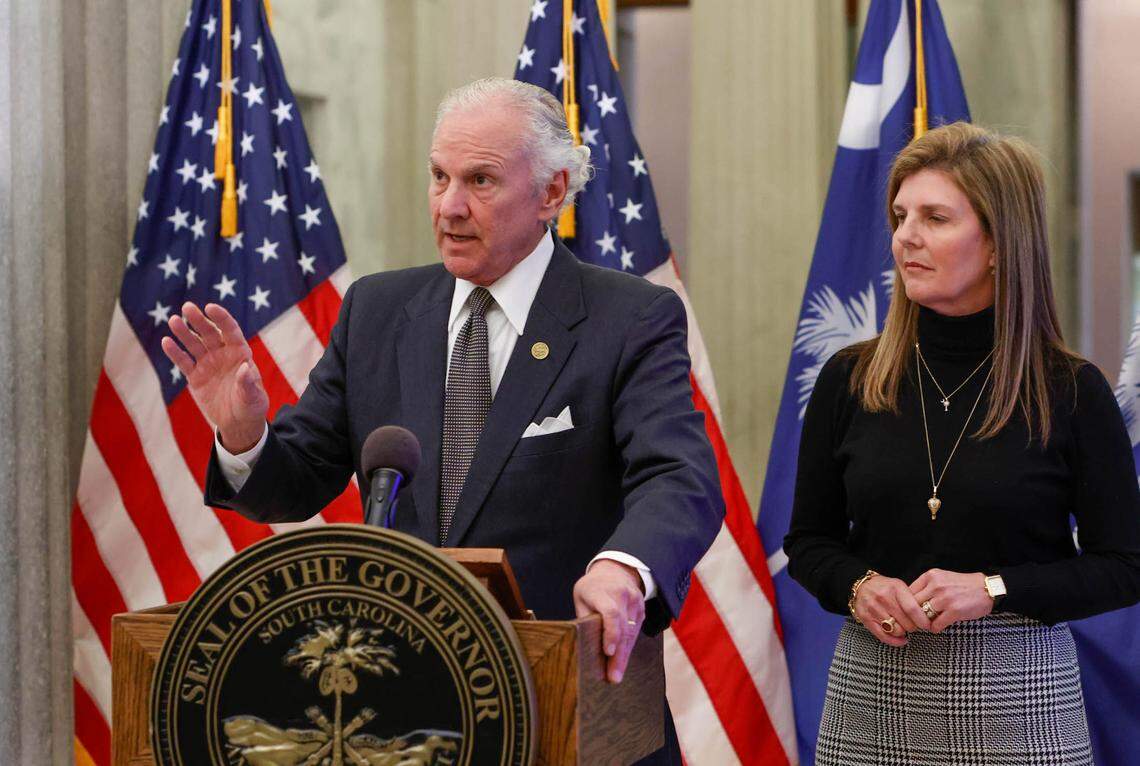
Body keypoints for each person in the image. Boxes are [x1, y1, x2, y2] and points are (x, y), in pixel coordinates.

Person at [161, 76, 723, 765]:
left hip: (567, 708)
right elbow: (296, 480)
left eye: (480, 181)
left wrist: (624, 570)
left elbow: (679, 476)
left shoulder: (628, 318)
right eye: (438, 177)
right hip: (406, 720)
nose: (449, 207)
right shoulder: (376, 310)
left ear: (552, 192)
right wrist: (244, 435)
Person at [784, 122, 1140, 765]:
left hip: (1017, 708)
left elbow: (1125, 565)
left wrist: (994, 589)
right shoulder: (850, 378)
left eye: (935, 218)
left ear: (1002, 244)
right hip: (870, 704)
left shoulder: (1070, 391)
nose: (906, 237)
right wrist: (859, 584)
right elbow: (808, 542)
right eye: (900, 216)